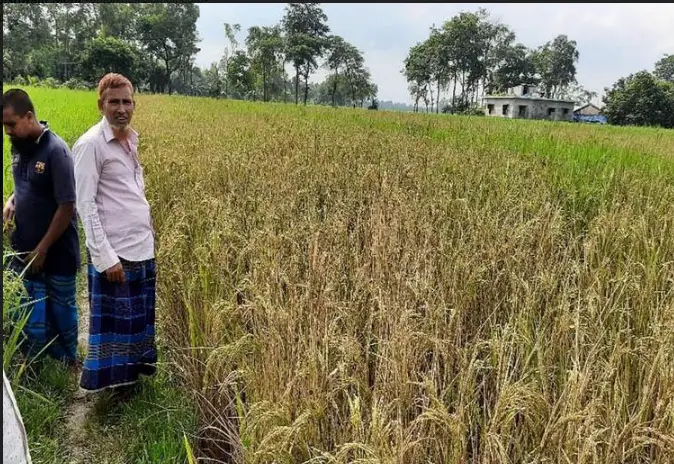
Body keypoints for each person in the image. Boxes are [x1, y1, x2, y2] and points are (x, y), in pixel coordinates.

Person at [72, 73, 157, 395]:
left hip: (140, 247)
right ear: (101, 104)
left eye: (127, 101)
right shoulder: (91, 145)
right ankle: (112, 390)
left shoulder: (130, 139)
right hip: (116, 253)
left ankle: (130, 381)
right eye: (114, 102)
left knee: (135, 322)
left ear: (134, 104)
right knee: (114, 326)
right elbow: (85, 204)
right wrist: (106, 257)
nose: (121, 108)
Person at [2, 89, 80, 369]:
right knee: (29, 308)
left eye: (11, 124)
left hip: (56, 251)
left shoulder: (56, 151)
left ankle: (70, 362)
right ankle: (38, 363)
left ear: (30, 116)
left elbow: (67, 205)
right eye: (4, 126)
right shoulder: (19, 146)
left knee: (62, 308)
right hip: (24, 246)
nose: (7, 131)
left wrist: (43, 248)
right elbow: (24, 185)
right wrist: (11, 200)